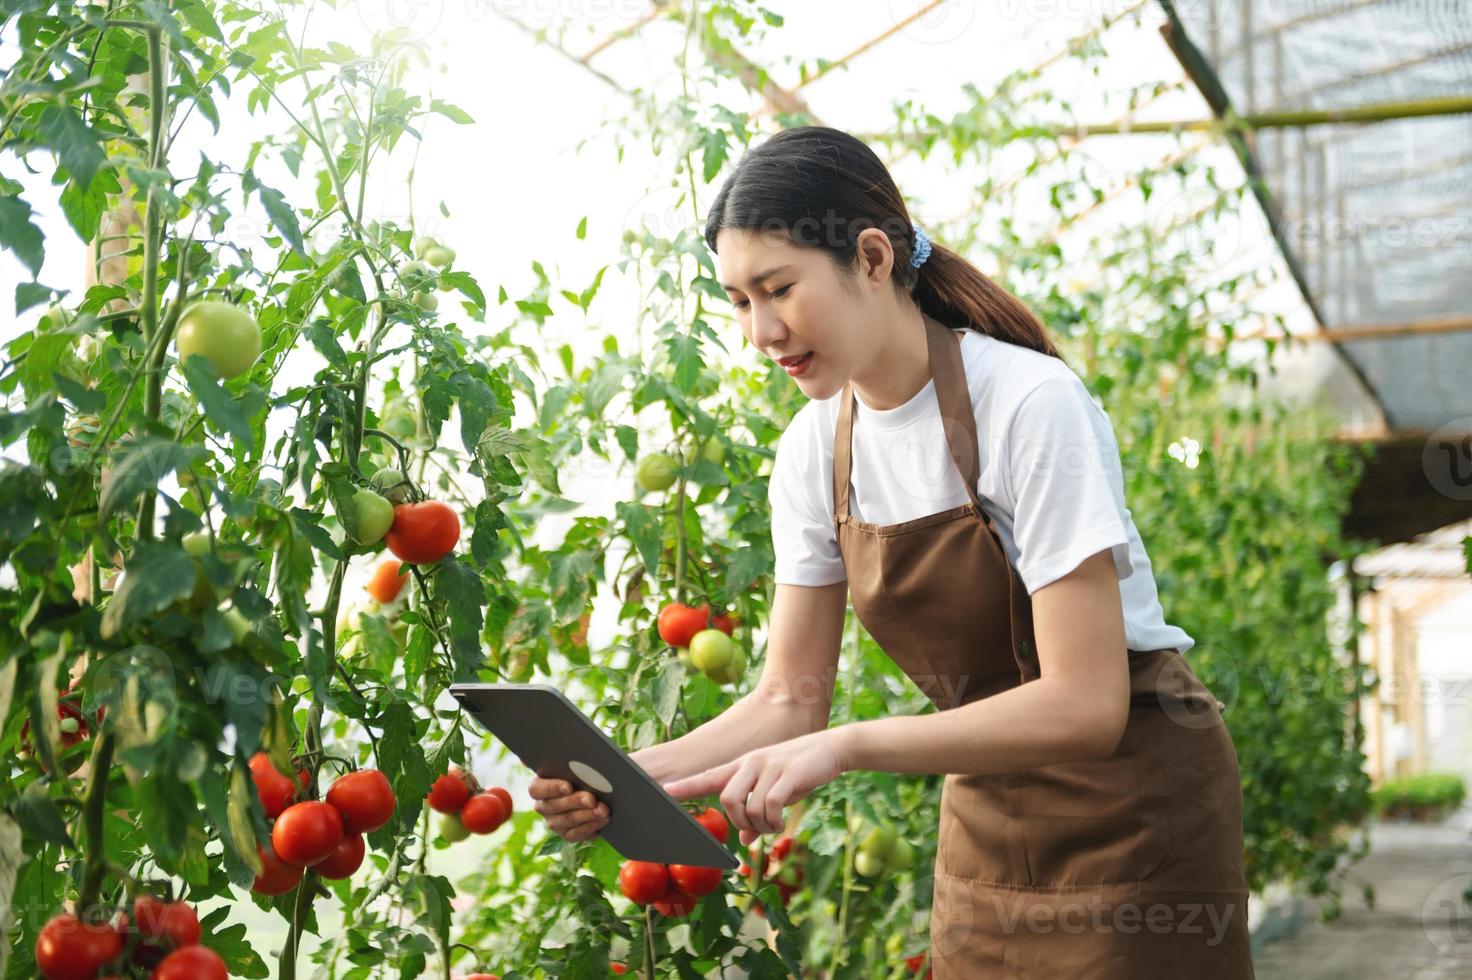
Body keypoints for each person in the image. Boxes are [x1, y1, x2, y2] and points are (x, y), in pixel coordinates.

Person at [531, 126, 1255, 977]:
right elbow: (787, 702)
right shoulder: (814, 452)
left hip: (1137, 805)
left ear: (872, 259)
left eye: (779, 288)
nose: (761, 330)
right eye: (737, 300)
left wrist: (849, 745)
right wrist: (623, 777)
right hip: (989, 817)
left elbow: (1086, 703)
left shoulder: (1028, 404)